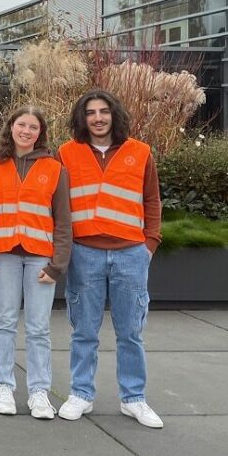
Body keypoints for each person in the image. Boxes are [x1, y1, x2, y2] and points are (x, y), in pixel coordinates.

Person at [56, 89, 164, 428]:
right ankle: (81, 394)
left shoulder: (141, 152)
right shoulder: (66, 153)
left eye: (103, 111)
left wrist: (149, 244)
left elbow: (152, 201)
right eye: (91, 113)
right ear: (82, 118)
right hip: (85, 253)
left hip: (131, 253)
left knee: (131, 332)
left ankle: (134, 399)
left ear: (114, 115)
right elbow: (58, 205)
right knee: (84, 331)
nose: (98, 118)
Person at [0, 106, 71, 419]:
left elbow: (63, 221)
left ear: (40, 133)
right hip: (3, 254)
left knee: (38, 327)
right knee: (4, 321)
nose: (27, 131)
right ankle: (4, 385)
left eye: (33, 127)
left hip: (39, 258)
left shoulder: (55, 169)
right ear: (11, 127)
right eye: (22, 125)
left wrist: (58, 264)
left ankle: (39, 391)